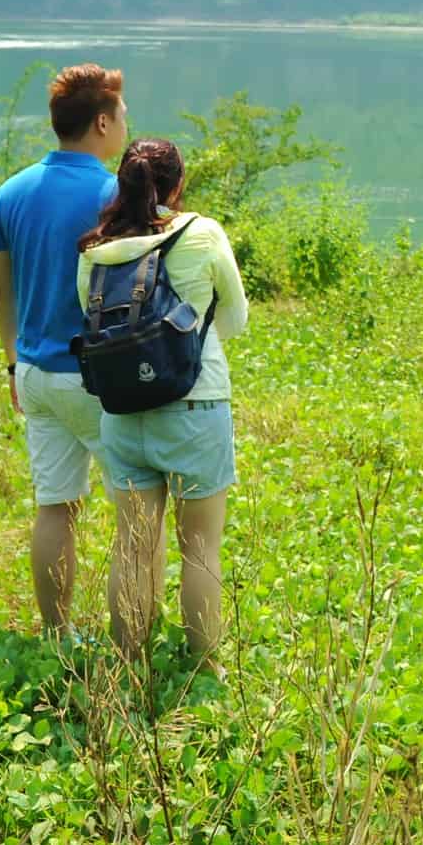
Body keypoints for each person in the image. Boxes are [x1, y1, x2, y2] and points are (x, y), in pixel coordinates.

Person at [76, 137, 250, 665]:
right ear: (176, 185)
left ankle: (129, 661)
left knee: (132, 545)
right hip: (196, 406)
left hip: (123, 412)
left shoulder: (93, 251)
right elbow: (235, 319)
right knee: (200, 549)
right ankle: (204, 666)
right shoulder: (201, 233)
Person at [0, 63, 131, 633]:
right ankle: (129, 644)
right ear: (101, 122)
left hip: (35, 373)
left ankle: (56, 633)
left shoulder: (11, 192)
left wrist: (13, 360)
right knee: (135, 513)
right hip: (98, 378)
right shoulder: (113, 193)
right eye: (121, 114)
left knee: (56, 507)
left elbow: (3, 286)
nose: (124, 124)